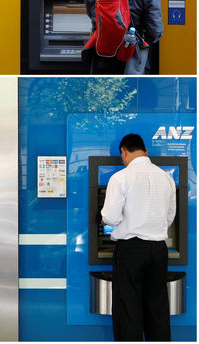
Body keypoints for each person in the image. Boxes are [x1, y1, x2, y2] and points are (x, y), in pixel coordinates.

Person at [100, 134, 176, 341]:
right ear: (146, 152)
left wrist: (104, 221)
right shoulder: (166, 177)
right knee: (157, 307)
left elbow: (111, 216)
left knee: (128, 309)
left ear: (123, 151)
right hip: (158, 250)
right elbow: (170, 216)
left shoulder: (120, 178)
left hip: (131, 250)